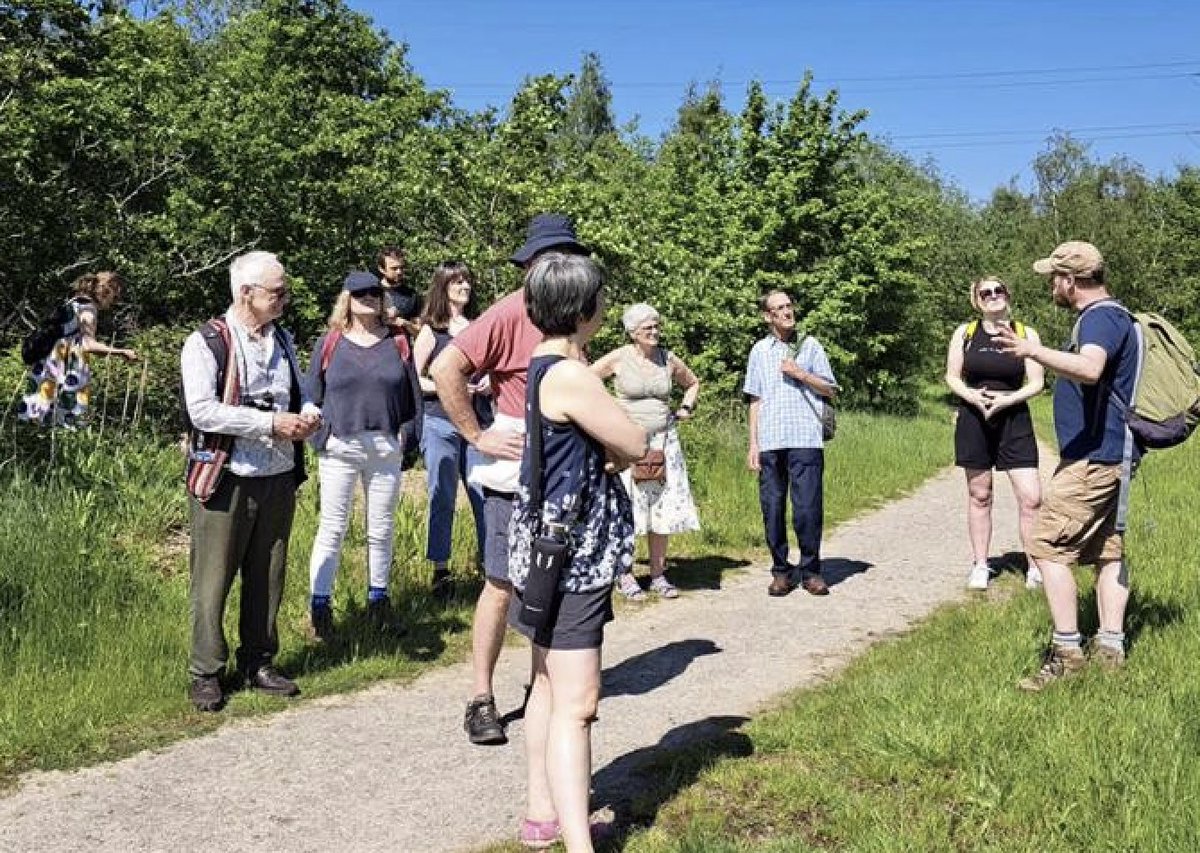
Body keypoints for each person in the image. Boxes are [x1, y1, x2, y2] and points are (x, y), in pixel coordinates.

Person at [430, 212, 590, 746]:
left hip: (560, 470)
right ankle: (481, 697)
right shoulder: (508, 312)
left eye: (567, 256)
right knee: (501, 582)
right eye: (551, 258)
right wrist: (477, 435)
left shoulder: (570, 313)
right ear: (530, 265)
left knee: (552, 579)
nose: (560, 265)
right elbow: (445, 368)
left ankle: (542, 686)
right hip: (513, 471)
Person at [508, 252, 645, 852]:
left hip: (542, 547)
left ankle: (543, 814)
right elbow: (634, 440)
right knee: (579, 703)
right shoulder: (571, 375)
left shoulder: (541, 362)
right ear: (585, 309)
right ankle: (577, 842)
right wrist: (616, 452)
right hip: (573, 556)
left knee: (545, 681)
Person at [180, 251, 320, 712]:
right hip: (225, 476)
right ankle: (206, 671)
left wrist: (308, 415)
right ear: (246, 293)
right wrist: (269, 424)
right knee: (213, 578)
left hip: (277, 475)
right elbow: (202, 411)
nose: (284, 299)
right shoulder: (206, 342)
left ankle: (258, 661)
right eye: (276, 292)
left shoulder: (283, 338)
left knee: (268, 574)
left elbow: (300, 392)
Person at [997, 241, 1140, 691]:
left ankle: (1066, 655)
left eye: (1053, 279)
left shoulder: (1100, 318)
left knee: (1044, 545)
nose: (1051, 287)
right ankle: (1111, 649)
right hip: (1110, 454)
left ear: (1070, 281)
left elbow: (1090, 368)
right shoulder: (1116, 315)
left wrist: (1031, 351)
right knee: (1108, 551)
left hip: (1094, 458)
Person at [303, 271, 421, 642]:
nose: (368, 298)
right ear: (347, 300)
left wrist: (408, 437)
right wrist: (320, 434)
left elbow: (413, 397)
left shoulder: (398, 342)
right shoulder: (330, 342)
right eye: (360, 294)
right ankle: (320, 607)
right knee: (332, 527)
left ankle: (379, 601)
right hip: (340, 446)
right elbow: (310, 394)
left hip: (385, 446)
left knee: (381, 528)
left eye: (374, 293)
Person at [591, 303, 700, 601]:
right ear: (633, 332)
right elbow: (587, 380)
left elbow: (692, 383)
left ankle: (658, 573)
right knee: (628, 505)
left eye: (656, 326)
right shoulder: (619, 357)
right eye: (647, 328)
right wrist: (608, 413)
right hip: (627, 443)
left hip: (664, 441)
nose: (654, 332)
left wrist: (685, 407)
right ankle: (624, 573)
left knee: (660, 506)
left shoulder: (667, 358)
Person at [945, 277, 1045, 591]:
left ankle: (1035, 566)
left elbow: (1037, 382)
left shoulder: (1026, 333)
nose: (992, 296)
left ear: (1007, 295)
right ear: (977, 300)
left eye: (998, 290)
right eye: (985, 293)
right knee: (980, 494)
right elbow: (952, 376)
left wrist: (1007, 400)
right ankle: (980, 564)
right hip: (974, 418)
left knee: (1031, 497)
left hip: (1014, 418)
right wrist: (973, 397)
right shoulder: (965, 333)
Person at [743, 290, 838, 597]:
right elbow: (755, 399)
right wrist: (753, 444)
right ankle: (781, 571)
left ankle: (811, 571)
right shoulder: (759, 351)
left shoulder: (810, 345)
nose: (787, 312)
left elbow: (830, 389)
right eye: (779, 308)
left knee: (807, 508)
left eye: (789, 306)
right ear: (767, 316)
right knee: (772, 507)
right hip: (770, 440)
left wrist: (800, 373)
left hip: (805, 438)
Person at [412, 261, 489, 600]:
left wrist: (488, 384)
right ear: (443, 287)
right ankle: (440, 570)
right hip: (440, 421)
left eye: (467, 281)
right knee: (441, 494)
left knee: (484, 493)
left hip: (477, 423)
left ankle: (492, 567)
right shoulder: (432, 330)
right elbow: (415, 378)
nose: (464, 287)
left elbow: (493, 369)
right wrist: (448, 387)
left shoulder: (479, 327)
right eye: (457, 282)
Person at [19, 270, 138, 427]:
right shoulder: (88, 310)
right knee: (63, 421)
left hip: (46, 366)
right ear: (105, 291)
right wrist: (121, 352)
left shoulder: (72, 303)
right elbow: (89, 344)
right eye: (114, 297)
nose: (113, 303)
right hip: (64, 370)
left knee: (36, 417)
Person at [377, 245, 422, 334]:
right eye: (394, 268)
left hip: (402, 342)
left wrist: (405, 324)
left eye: (401, 267)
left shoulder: (411, 295)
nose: (399, 272)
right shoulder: (371, 293)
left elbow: (419, 331)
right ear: (381, 269)